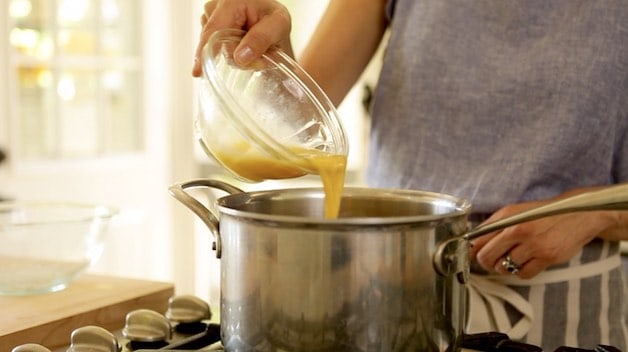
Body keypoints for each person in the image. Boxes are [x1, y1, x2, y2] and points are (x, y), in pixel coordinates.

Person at [192, 0, 628, 350]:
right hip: (386, 296)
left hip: (564, 305)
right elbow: (292, 123)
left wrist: (592, 213)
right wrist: (269, 60)